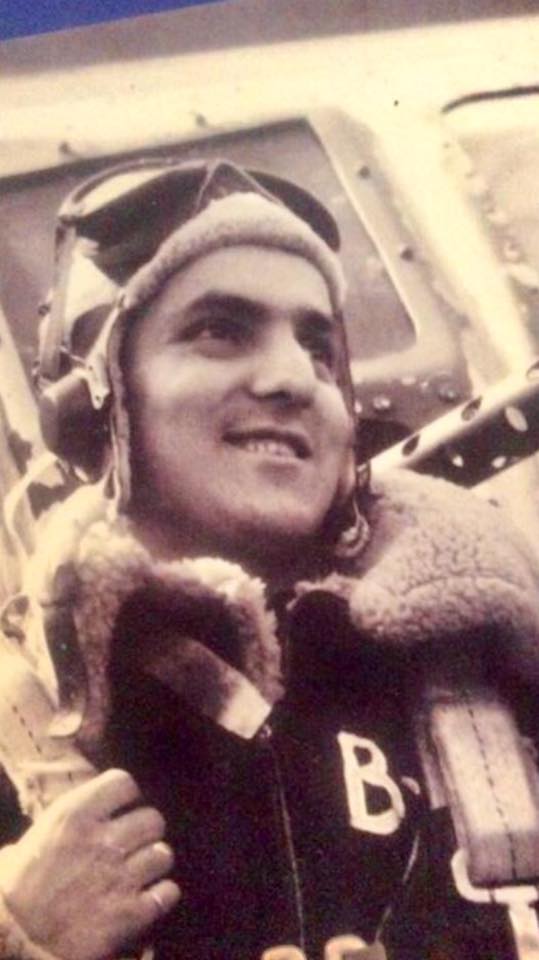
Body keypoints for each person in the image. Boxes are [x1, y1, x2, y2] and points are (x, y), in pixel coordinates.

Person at [0, 156, 539, 960]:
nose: (293, 378)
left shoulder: (499, 665)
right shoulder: (27, 707)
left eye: (319, 348)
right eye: (218, 331)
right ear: (98, 401)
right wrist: (22, 935)